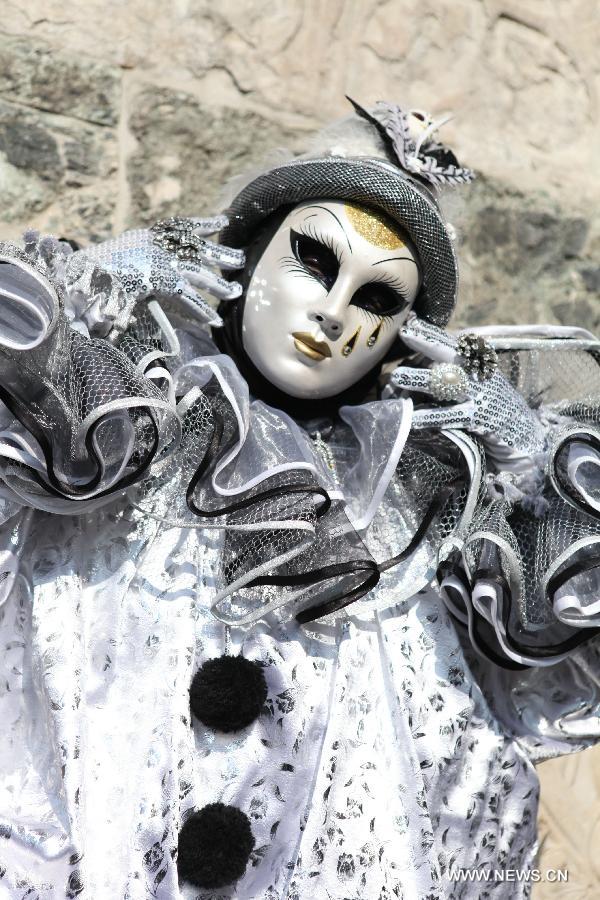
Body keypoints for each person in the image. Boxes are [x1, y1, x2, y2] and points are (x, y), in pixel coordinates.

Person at [0, 99, 599, 900]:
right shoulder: (107, 433)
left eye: (378, 299)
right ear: (247, 259)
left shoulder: (413, 525)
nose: (334, 311)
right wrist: (87, 281)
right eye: (315, 260)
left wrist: (527, 454)